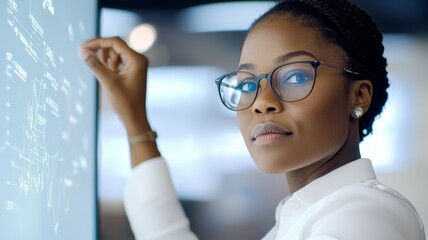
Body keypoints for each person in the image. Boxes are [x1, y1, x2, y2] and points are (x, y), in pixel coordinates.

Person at [81, 0, 425, 239]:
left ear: (359, 96)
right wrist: (134, 117)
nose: (262, 102)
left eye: (293, 77)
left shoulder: (366, 215)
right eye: (247, 84)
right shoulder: (304, 215)